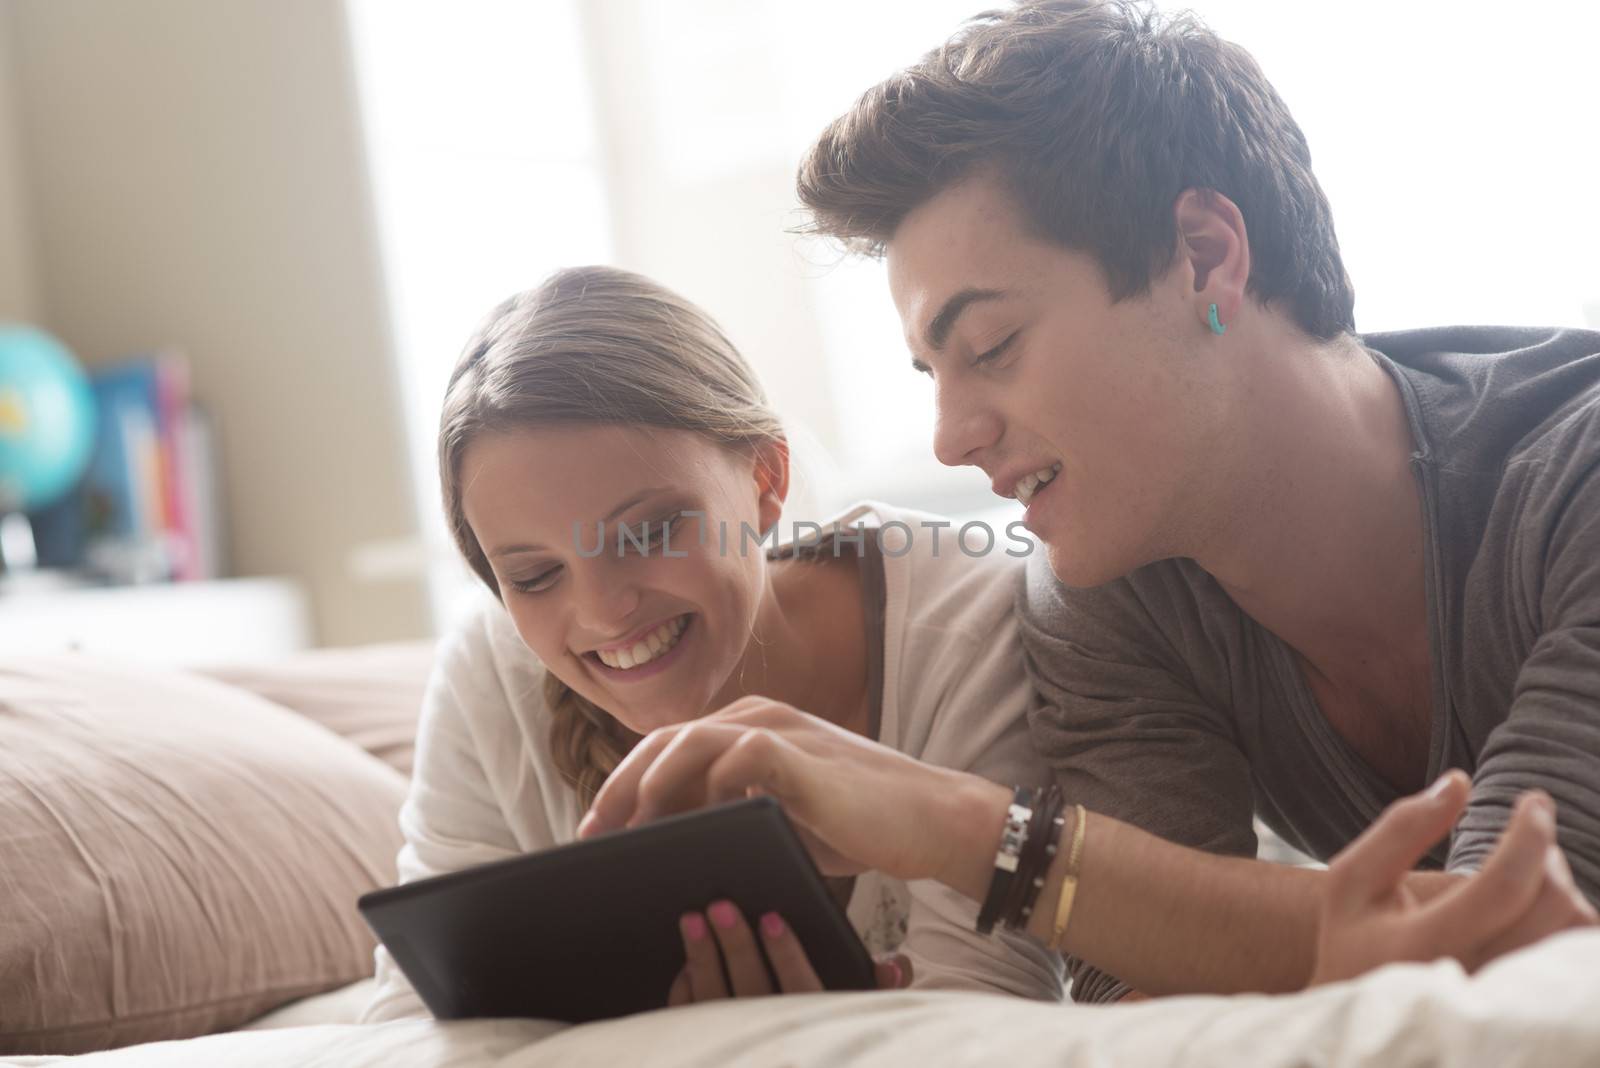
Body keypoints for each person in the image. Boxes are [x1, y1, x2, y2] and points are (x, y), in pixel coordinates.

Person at [578, 0, 1599, 1000]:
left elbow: (1511, 959)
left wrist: (964, 825)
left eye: (991, 348)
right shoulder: (1112, 590)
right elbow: (1153, 1009)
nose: (952, 435)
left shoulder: (1574, 483)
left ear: (1205, 254)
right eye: (933, 374)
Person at [361, 265, 1066, 1023]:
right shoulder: (493, 669)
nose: (603, 613)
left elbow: (992, 1018)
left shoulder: (969, 621)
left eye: (649, 531)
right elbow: (413, 1022)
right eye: (533, 575)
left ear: (765, 479)